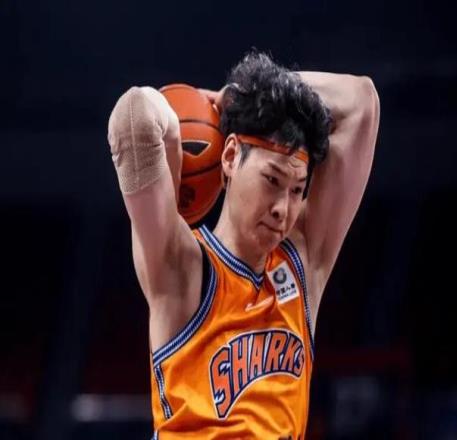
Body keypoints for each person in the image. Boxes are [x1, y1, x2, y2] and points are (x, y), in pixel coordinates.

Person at [107, 51, 380, 439]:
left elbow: (362, 102)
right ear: (231, 156)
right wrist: (181, 120)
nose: (283, 209)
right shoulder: (184, 268)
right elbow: (133, 118)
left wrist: (247, 93)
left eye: (297, 190)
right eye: (272, 181)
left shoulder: (303, 261)